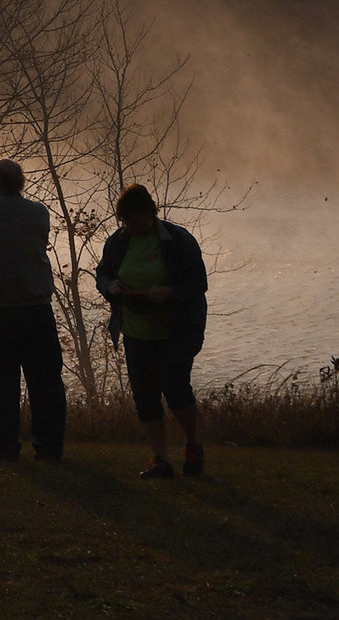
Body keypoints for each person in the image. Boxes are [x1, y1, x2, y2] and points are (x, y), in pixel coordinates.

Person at [95, 183, 209, 479]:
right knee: (145, 396)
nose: (132, 226)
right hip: (135, 331)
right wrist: (111, 287)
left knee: (176, 389)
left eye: (137, 219)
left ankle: (193, 445)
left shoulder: (178, 240)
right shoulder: (119, 242)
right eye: (127, 221)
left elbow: (198, 284)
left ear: (150, 213)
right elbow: (103, 273)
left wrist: (169, 292)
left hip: (176, 330)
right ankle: (161, 459)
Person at [0, 158, 67, 461]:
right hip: (35, 309)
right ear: (21, 182)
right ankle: (49, 446)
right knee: (45, 382)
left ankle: (6, 446)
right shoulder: (39, 213)